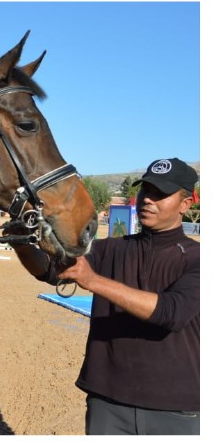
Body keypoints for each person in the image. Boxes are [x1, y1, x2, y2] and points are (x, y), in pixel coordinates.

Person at [41, 158, 199, 434]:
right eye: (145, 190)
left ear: (186, 204)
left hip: (177, 409)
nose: (148, 199)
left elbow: (171, 313)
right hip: (107, 402)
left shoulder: (198, 259)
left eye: (160, 194)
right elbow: (50, 269)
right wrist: (25, 240)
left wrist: (93, 280)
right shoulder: (110, 249)